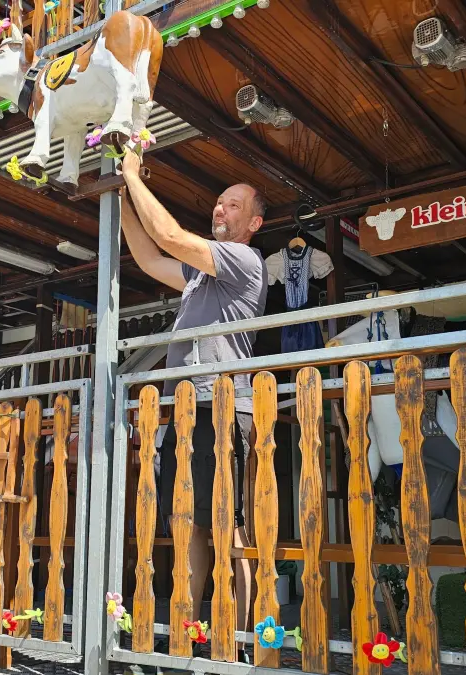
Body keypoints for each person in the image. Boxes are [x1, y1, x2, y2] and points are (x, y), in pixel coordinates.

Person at [119, 150, 267, 654]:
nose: (219, 210)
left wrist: (136, 176)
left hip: (222, 408)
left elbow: (170, 238)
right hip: (190, 411)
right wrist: (122, 195)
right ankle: (194, 635)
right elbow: (149, 257)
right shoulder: (203, 276)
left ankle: (242, 640)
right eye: (219, 204)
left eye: (231, 205)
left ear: (254, 221)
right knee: (196, 527)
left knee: (231, 528)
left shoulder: (245, 261)